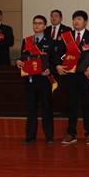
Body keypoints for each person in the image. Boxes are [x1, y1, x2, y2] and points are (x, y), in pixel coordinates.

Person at [54, 10, 89, 146]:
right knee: (71, 104)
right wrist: (57, 65)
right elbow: (58, 54)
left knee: (87, 105)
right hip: (70, 76)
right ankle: (71, 133)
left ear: (85, 22)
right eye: (74, 19)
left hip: (86, 75)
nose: (76, 22)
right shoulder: (67, 37)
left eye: (79, 19)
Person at [16, 15, 55, 145]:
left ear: (45, 26)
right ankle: (30, 137)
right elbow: (23, 57)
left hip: (44, 79)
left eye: (39, 23)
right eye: (35, 23)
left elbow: (55, 61)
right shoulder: (27, 41)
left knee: (46, 108)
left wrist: (50, 70)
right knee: (31, 108)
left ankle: (49, 137)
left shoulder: (51, 41)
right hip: (30, 79)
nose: (36, 25)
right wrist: (19, 62)